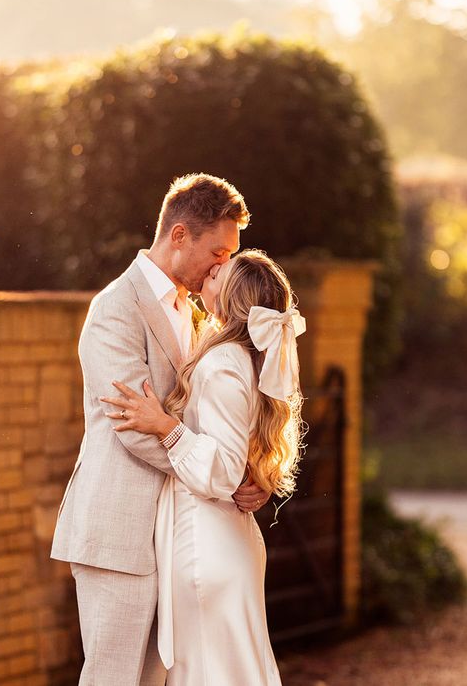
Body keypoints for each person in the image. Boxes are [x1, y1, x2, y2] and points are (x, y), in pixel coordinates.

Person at [50, 174, 272, 685]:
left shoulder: (194, 316)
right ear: (178, 236)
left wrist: (246, 468)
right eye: (217, 251)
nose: (223, 266)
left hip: (173, 539)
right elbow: (132, 425)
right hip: (119, 532)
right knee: (114, 678)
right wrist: (224, 478)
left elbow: (207, 419)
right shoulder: (113, 310)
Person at [102, 249, 306, 684]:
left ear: (231, 296)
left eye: (220, 273)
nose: (211, 270)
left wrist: (164, 426)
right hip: (221, 542)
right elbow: (238, 453)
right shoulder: (240, 356)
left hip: (206, 547)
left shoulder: (221, 363)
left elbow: (224, 470)